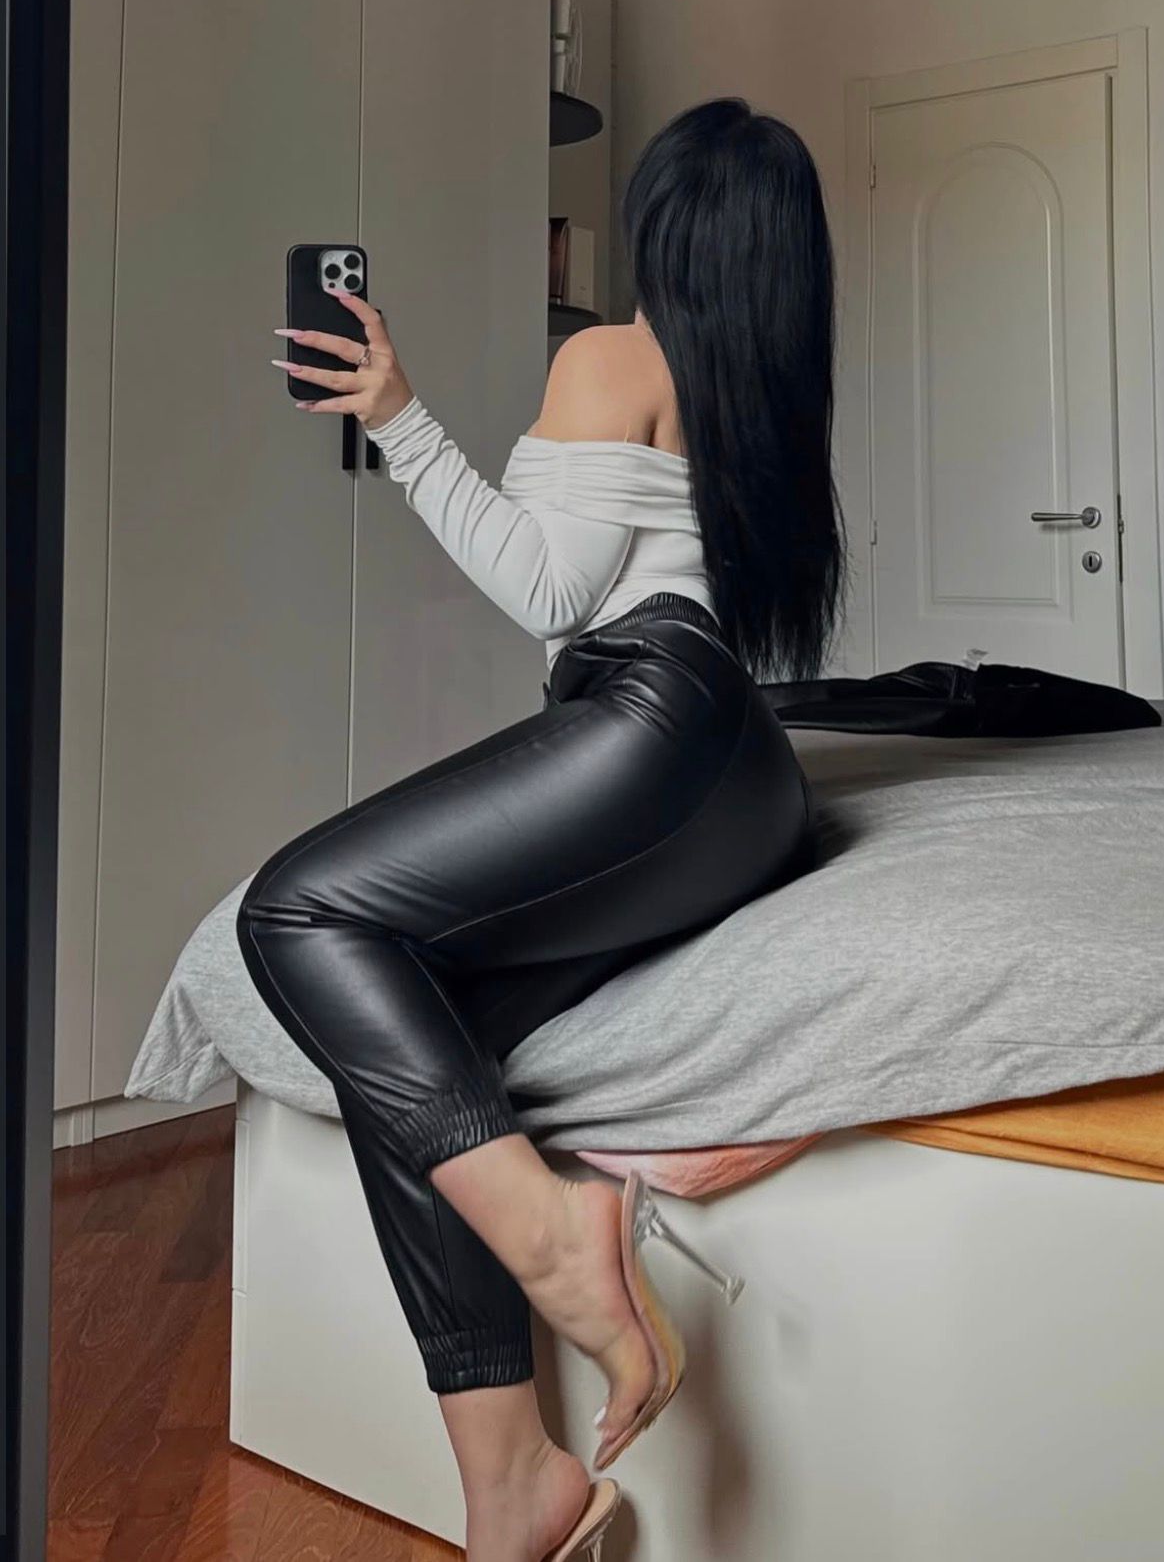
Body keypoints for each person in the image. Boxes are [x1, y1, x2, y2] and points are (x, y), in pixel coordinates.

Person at [240, 95, 848, 1562]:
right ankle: (514, 1480)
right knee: (413, 1045)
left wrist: (398, 417)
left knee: (295, 911)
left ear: (659, 229)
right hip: (747, 788)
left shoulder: (612, 356)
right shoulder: (762, 395)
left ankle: (563, 1239)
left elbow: (550, 595)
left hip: (655, 720)